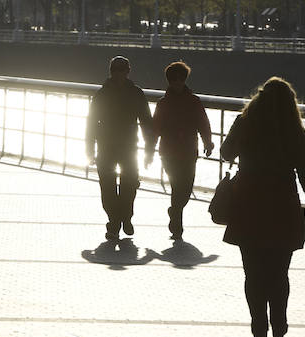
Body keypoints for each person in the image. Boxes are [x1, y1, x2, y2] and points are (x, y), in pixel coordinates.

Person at [219, 77, 305, 337]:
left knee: (253, 274)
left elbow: (226, 153)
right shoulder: (294, 131)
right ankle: (279, 319)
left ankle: (258, 328)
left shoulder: (246, 123)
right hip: (283, 207)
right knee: (279, 272)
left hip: (248, 205)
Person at [86, 56, 155, 240]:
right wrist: (89, 149)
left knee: (129, 185)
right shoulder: (103, 94)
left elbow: (147, 123)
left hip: (128, 147)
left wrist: (149, 150)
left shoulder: (134, 94)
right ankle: (115, 222)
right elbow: (91, 122)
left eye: (121, 71)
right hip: (108, 147)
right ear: (112, 72)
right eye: (116, 71)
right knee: (108, 188)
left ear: (127, 72)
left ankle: (125, 217)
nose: (119, 75)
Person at [152, 61, 214, 240]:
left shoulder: (194, 101)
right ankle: (177, 225)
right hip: (168, 152)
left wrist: (208, 142)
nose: (178, 82)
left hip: (189, 150)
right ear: (169, 81)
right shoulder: (163, 103)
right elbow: (155, 128)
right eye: (174, 79)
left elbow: (203, 123)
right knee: (176, 185)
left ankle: (174, 210)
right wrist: (149, 150)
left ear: (185, 79)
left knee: (186, 188)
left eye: (180, 79)